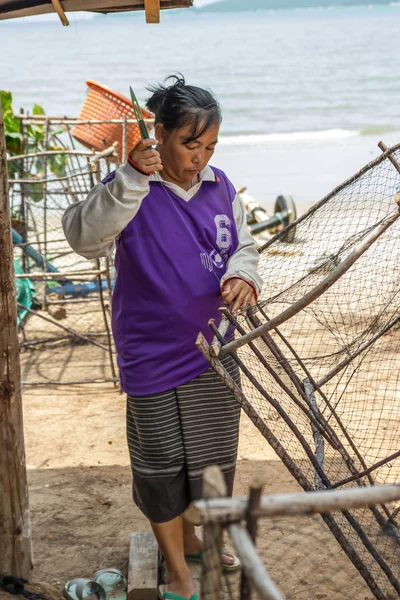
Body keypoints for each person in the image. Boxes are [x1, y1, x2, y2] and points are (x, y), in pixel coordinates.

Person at [62, 75, 262, 600]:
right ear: (160, 133)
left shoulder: (220, 186)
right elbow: (82, 236)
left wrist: (244, 274)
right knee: (160, 465)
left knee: (211, 462)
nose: (200, 157)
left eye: (210, 145)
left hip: (215, 352)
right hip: (151, 355)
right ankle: (178, 569)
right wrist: (129, 176)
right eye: (189, 143)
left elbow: (244, 246)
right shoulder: (130, 186)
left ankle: (195, 540)